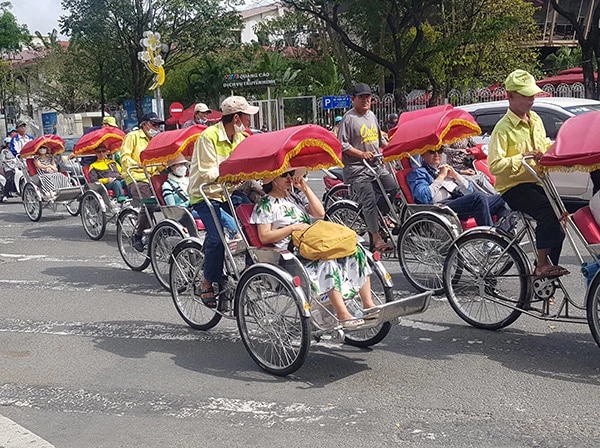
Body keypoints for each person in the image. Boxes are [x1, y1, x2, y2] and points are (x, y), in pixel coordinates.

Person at [250, 167, 378, 328]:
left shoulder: (295, 196)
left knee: (355, 251)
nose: (290, 178)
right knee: (328, 261)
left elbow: (320, 212)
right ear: (272, 179)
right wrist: (292, 228)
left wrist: (305, 188)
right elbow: (265, 236)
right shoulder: (265, 204)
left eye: (292, 174)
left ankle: (368, 304)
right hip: (292, 250)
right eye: (284, 175)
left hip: (311, 242)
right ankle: (342, 312)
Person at [488, 69, 568, 280]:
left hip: (538, 182)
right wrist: (521, 157)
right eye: (525, 95)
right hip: (514, 187)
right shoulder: (502, 128)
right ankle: (541, 265)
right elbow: (495, 166)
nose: (531, 99)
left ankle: (546, 274)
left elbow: (545, 148)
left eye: (532, 94)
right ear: (510, 96)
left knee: (561, 222)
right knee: (548, 212)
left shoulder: (536, 120)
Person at [188, 95, 258, 307]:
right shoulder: (207, 137)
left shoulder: (241, 137)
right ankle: (207, 282)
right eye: (247, 118)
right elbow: (208, 171)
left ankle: (249, 273)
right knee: (218, 238)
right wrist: (230, 174)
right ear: (236, 118)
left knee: (254, 227)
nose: (249, 122)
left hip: (230, 191)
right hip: (205, 194)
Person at [337, 83, 397, 252]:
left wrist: (394, 146)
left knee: (392, 187)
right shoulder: (348, 119)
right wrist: (360, 154)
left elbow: (380, 140)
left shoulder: (371, 115)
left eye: (368, 97)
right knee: (369, 200)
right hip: (357, 169)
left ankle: (377, 218)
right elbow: (342, 144)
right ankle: (376, 239)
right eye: (361, 97)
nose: (365, 100)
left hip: (375, 165)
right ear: (353, 99)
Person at [407, 147, 508, 226]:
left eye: (440, 150)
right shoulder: (418, 173)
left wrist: (456, 176)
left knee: (504, 197)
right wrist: (441, 177)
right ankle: (489, 240)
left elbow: (470, 191)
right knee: (479, 197)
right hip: (441, 208)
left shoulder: (444, 168)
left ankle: (503, 233)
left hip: (460, 202)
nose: (437, 155)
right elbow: (423, 197)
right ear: (422, 155)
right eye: (432, 152)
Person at [162, 154, 240, 237]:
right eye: (180, 165)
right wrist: (188, 201)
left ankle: (234, 233)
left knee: (219, 209)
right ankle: (236, 234)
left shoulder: (189, 180)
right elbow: (172, 208)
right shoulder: (167, 185)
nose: (183, 167)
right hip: (186, 212)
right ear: (172, 167)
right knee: (216, 213)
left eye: (184, 164)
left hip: (196, 205)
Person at [120, 112, 165, 252]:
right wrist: (138, 164)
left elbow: (158, 162)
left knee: (173, 202)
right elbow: (125, 156)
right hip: (137, 176)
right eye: (153, 124)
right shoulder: (132, 137)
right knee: (149, 204)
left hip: (153, 177)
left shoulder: (156, 140)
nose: (156, 128)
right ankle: (138, 235)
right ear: (144, 124)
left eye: (158, 125)